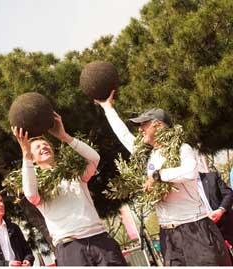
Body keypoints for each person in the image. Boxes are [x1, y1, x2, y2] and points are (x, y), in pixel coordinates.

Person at [96, 90, 231, 266]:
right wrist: (107, 108)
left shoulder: (183, 148)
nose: (140, 129)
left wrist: (159, 175)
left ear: (158, 125)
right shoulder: (148, 155)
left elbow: (190, 171)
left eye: (144, 125)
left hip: (195, 229)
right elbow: (124, 136)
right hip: (168, 235)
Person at [12, 112, 127, 266]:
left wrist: (65, 136)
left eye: (46, 145)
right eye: (37, 147)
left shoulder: (74, 174)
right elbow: (31, 195)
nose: (44, 147)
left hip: (100, 240)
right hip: (70, 248)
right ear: (33, 158)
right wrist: (26, 154)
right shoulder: (38, 185)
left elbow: (94, 158)